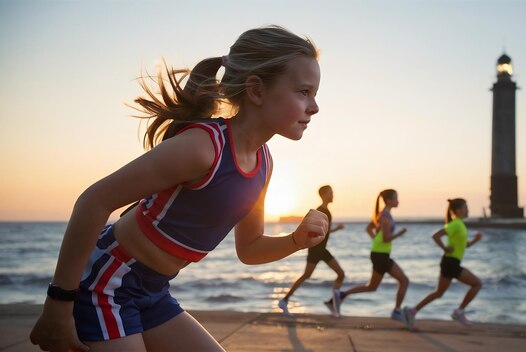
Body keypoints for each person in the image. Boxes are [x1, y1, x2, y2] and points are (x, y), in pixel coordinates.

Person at [29, 25, 328, 352]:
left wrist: (296, 240)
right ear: (256, 91)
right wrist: (58, 305)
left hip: (153, 291)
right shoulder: (203, 147)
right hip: (104, 284)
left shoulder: (264, 164)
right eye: (304, 92)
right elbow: (93, 202)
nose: (314, 106)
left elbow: (250, 248)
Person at [401, 198, 482, 331]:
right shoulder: (455, 224)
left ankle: (412, 311)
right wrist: (444, 248)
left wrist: (475, 240)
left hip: (450, 262)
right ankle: (459, 312)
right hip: (451, 263)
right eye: (466, 207)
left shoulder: (460, 224)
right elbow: (436, 235)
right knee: (477, 283)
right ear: (458, 210)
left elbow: (464, 245)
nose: (468, 210)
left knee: (439, 293)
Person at [333, 189, 409, 321]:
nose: (398, 201)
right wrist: (399, 234)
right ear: (389, 201)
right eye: (396, 198)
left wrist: (375, 240)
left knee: (372, 287)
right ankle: (397, 311)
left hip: (379, 253)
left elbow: (369, 229)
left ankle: (341, 295)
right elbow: (386, 238)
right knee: (404, 281)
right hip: (381, 255)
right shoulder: (385, 217)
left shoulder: (383, 214)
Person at [278, 185, 345, 317]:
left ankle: (332, 304)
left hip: (321, 249)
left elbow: (324, 232)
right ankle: (284, 300)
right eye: (331, 193)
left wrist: (336, 229)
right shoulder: (320, 211)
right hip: (316, 250)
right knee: (308, 275)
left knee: (340, 274)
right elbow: (314, 232)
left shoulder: (327, 211)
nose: (333, 196)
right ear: (324, 195)